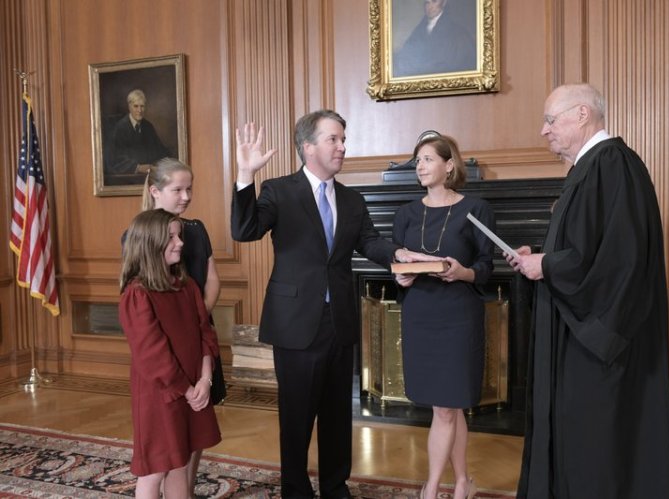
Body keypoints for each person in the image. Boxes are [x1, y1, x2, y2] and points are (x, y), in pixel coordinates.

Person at [230, 110, 438, 498]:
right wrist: (245, 178)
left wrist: (399, 255)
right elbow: (244, 230)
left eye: (344, 139)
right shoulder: (279, 190)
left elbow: (370, 242)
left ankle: (335, 486)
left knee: (337, 415)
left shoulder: (351, 198)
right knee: (296, 416)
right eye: (334, 139)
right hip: (295, 322)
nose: (343, 146)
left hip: (339, 320)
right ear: (308, 147)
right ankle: (295, 488)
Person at [507, 83, 669, 499]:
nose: (543, 130)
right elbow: (585, 247)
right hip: (578, 332)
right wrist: (543, 256)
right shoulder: (591, 168)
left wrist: (547, 264)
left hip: (600, 343)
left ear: (582, 114)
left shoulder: (612, 164)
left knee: (597, 442)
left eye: (551, 120)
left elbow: (618, 260)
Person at [392, 134, 494, 499]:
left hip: (458, 316)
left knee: (447, 409)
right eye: (417, 160)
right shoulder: (405, 213)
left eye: (427, 159)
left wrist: (461, 272)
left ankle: (432, 488)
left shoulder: (475, 208)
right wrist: (401, 277)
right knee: (449, 407)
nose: (419, 166)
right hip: (420, 314)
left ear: (449, 165)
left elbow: (486, 266)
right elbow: (400, 267)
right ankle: (463, 481)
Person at [129, 157, 223, 494]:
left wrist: (205, 377)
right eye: (177, 189)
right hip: (165, 389)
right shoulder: (139, 292)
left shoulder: (187, 285)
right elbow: (151, 350)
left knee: (181, 462)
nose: (180, 245)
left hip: (196, 371)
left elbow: (203, 328)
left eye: (189, 189)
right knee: (157, 466)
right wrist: (187, 387)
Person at [393, 0, 476, 78]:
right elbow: (407, 54)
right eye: (427, 2)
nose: (430, 6)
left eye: (434, 1)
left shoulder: (457, 33)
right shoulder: (419, 29)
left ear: (443, 2)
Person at [106, 89, 170, 177]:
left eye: (142, 106)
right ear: (129, 107)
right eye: (136, 106)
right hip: (127, 178)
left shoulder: (148, 126)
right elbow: (115, 159)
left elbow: (160, 151)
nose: (140, 110)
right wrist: (138, 167)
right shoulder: (120, 128)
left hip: (149, 176)